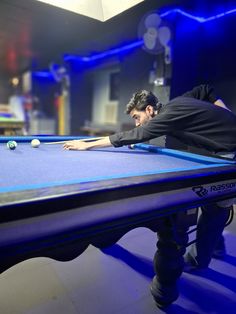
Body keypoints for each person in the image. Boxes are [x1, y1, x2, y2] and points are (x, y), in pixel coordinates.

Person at [63, 85, 236, 308]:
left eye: (137, 117)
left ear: (150, 109)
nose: (137, 122)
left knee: (216, 207)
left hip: (231, 151)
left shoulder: (169, 113)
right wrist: (227, 114)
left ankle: (199, 260)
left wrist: (87, 144)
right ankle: (217, 245)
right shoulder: (178, 103)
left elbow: (139, 133)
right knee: (214, 205)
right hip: (223, 149)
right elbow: (205, 90)